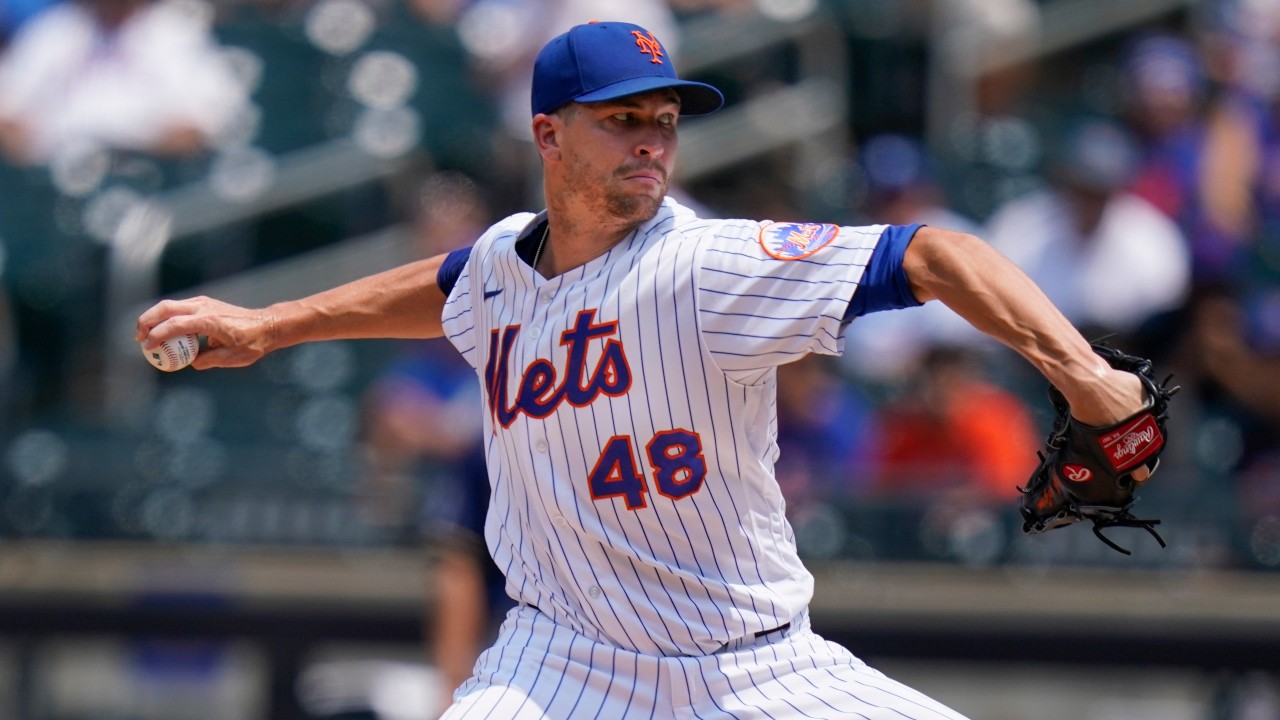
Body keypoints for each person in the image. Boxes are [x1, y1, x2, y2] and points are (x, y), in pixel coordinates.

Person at [137, 21, 1153, 720]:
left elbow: (933, 256)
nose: (650, 139)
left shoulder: (708, 267)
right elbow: (444, 284)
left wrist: (1081, 374)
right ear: (548, 132)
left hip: (754, 670)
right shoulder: (499, 263)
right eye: (621, 118)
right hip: (559, 666)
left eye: (663, 118)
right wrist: (270, 323)